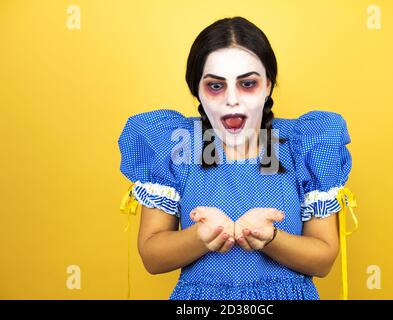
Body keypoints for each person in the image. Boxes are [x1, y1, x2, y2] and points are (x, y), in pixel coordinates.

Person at [118, 16, 354, 300]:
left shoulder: (303, 146)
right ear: (197, 91)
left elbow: (323, 259)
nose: (232, 99)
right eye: (216, 86)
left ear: (268, 85)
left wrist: (270, 238)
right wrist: (201, 236)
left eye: (248, 84)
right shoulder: (177, 148)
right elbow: (153, 258)